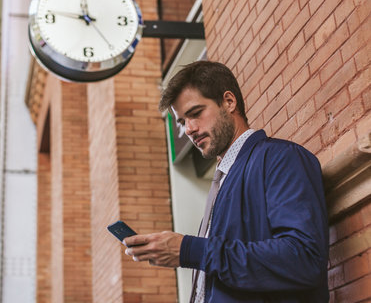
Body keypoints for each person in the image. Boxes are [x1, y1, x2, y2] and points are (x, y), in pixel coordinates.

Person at [123, 61, 329, 302]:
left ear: (229, 102)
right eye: (182, 122)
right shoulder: (224, 182)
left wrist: (189, 250)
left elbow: (305, 259)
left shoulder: (281, 158)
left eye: (196, 113)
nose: (189, 129)